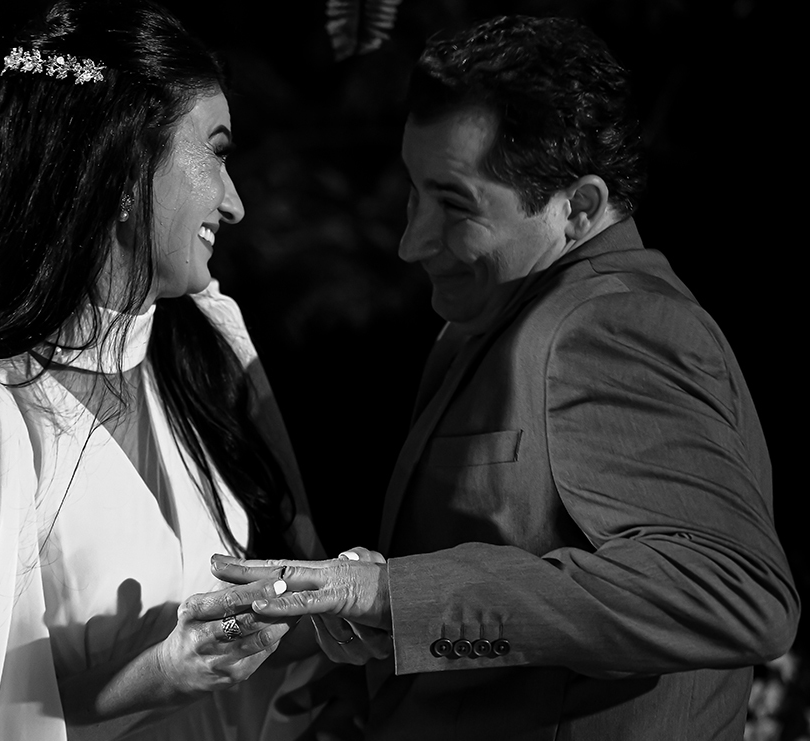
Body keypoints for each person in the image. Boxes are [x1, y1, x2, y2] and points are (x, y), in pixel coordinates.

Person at [211, 14, 800, 740]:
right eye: (414, 192)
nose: (410, 241)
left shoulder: (614, 325)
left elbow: (734, 590)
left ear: (578, 207)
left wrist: (390, 595)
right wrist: (378, 642)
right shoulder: (501, 319)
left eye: (455, 205)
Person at [0, 1, 327, 738]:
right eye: (215, 152)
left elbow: (292, 598)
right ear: (124, 171)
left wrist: (349, 600)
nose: (234, 203)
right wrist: (159, 672)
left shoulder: (210, 349)